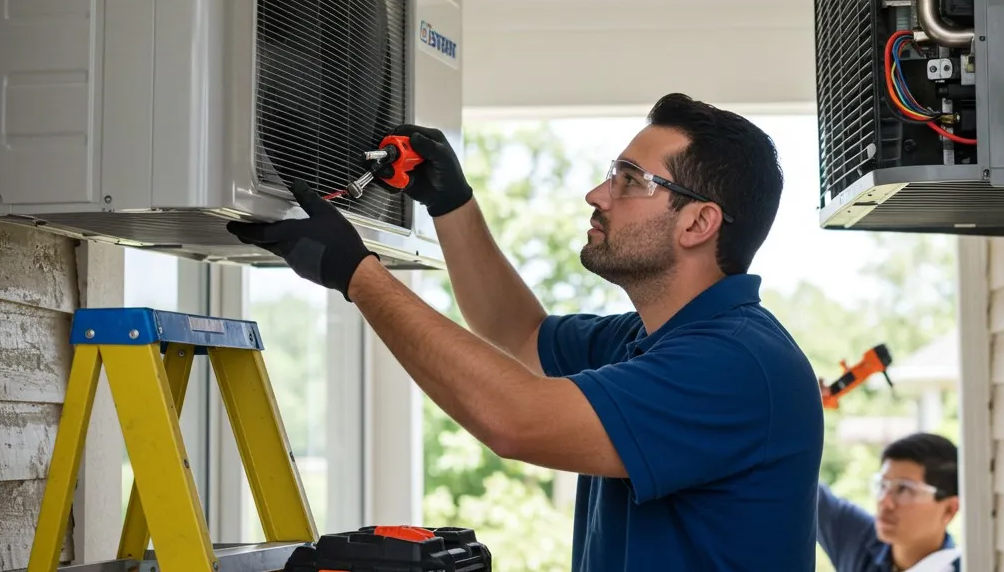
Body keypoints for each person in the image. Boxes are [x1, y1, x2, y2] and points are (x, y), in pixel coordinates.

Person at [227, 93, 824, 571]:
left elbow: (516, 420)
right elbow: (516, 333)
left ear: (698, 222)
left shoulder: (738, 364)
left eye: (629, 179)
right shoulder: (644, 342)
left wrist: (357, 274)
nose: (596, 194)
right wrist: (451, 203)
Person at [816, 433, 961, 572]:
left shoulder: (969, 567)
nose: (885, 502)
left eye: (904, 489)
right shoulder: (860, 543)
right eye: (883, 485)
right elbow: (810, 492)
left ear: (949, 509)